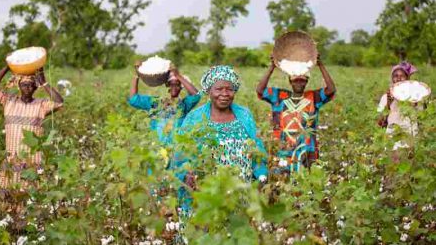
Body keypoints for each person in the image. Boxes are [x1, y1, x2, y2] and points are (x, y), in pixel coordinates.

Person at [175, 65, 268, 215]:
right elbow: (181, 153)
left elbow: (257, 148)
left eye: (229, 89)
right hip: (206, 193)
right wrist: (187, 175)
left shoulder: (244, 115)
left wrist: (261, 177)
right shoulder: (195, 118)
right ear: (209, 91)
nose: (224, 94)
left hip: (240, 192)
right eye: (218, 89)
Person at [0, 66, 63, 214]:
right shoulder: (8, 101)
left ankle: (30, 231)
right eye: (24, 84)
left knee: (30, 204)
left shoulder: (41, 105)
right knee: (8, 202)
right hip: (11, 162)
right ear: (19, 86)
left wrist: (44, 82)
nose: (28, 87)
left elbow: (59, 102)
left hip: (32, 164)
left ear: (35, 87)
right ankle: (13, 229)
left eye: (31, 85)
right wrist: (7, 67)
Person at [256, 55, 336, 174]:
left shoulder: (313, 97)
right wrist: (272, 67)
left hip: (307, 150)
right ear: (290, 81)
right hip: (282, 149)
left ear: (307, 82)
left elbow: (330, 90)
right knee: (282, 182)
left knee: (306, 185)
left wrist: (321, 65)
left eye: (302, 80)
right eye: (295, 80)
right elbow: (260, 90)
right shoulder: (280, 96)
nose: (299, 83)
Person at [128, 62, 201, 145]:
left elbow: (196, 95)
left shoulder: (184, 105)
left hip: (177, 147)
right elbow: (133, 99)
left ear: (181, 88)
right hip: (158, 148)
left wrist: (178, 76)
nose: (174, 87)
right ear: (167, 86)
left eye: (177, 85)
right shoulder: (155, 102)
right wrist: (137, 75)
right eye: (171, 84)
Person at [377, 62, 420, 151]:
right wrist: (389, 103)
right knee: (392, 161)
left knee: (408, 161)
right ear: (392, 78)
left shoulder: (415, 95)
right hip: (392, 135)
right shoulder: (386, 96)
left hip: (409, 134)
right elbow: (380, 121)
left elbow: (422, 115)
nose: (399, 78)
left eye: (402, 75)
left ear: (407, 78)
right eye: (396, 76)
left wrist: (414, 103)